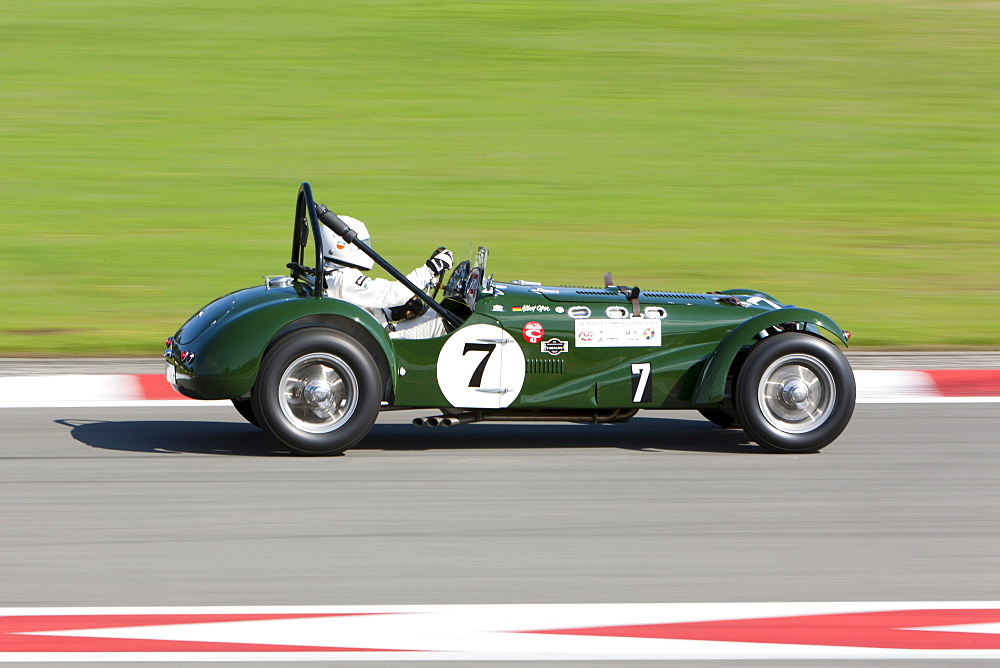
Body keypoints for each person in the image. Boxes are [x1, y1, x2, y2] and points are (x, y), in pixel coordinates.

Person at [320, 216, 453, 339]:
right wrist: (432, 268)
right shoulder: (344, 279)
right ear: (341, 246)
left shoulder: (332, 275)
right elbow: (394, 293)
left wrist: (393, 312)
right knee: (442, 320)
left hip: (370, 333)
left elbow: (363, 304)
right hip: (378, 340)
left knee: (432, 313)